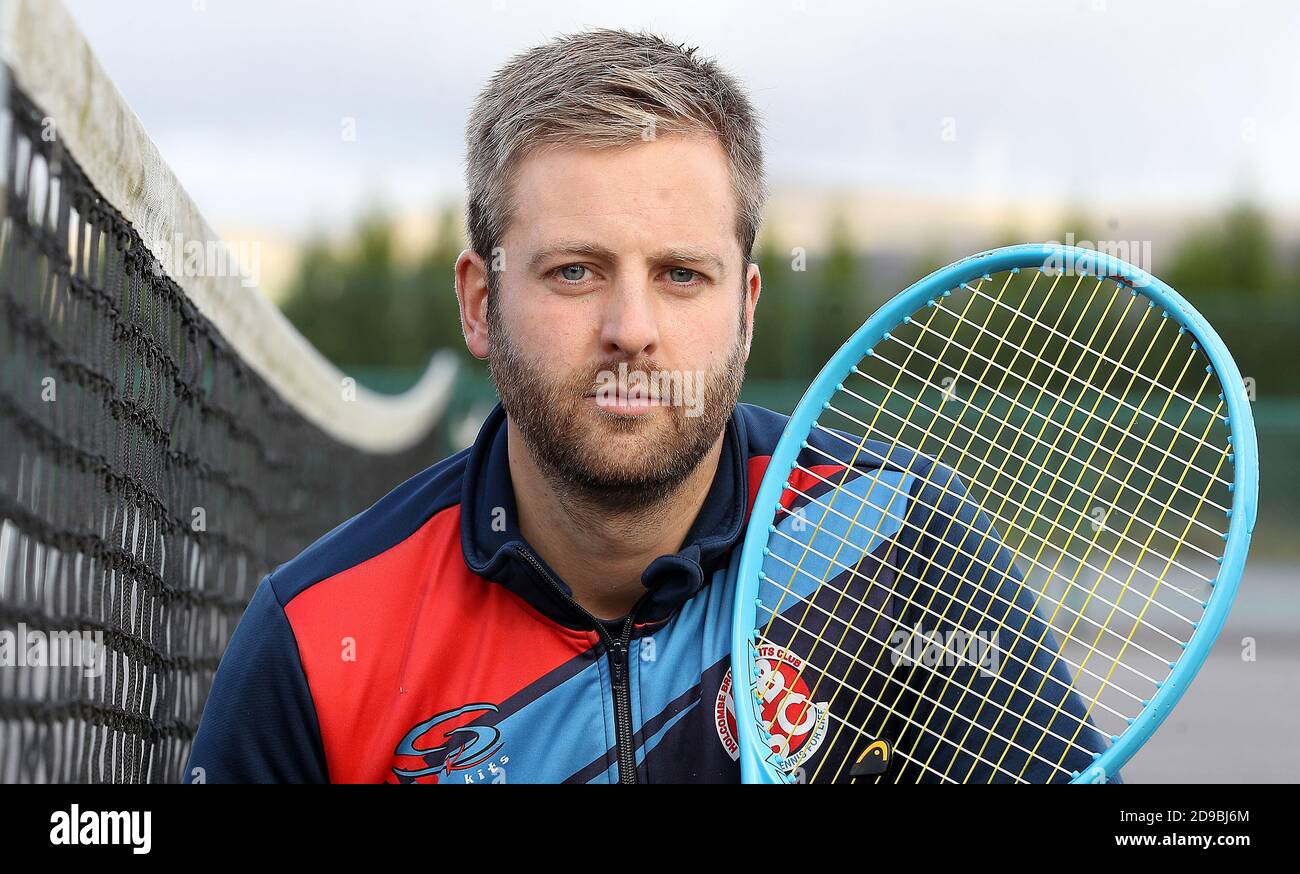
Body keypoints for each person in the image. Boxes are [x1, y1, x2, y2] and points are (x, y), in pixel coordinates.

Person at [185, 27, 1108, 784]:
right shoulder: (317, 637)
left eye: (680, 275)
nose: (632, 329)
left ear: (744, 312)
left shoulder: (899, 540)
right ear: (479, 302)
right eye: (574, 271)